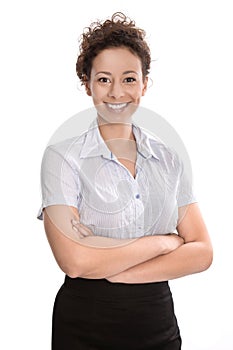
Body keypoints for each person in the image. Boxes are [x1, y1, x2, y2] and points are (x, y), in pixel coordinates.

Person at [37, 12, 213, 350]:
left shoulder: (168, 157)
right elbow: (74, 261)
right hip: (85, 326)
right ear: (87, 83)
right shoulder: (62, 158)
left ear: (145, 83)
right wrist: (165, 243)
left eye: (129, 79)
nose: (117, 92)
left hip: (157, 326)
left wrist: (118, 270)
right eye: (104, 79)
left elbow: (202, 252)